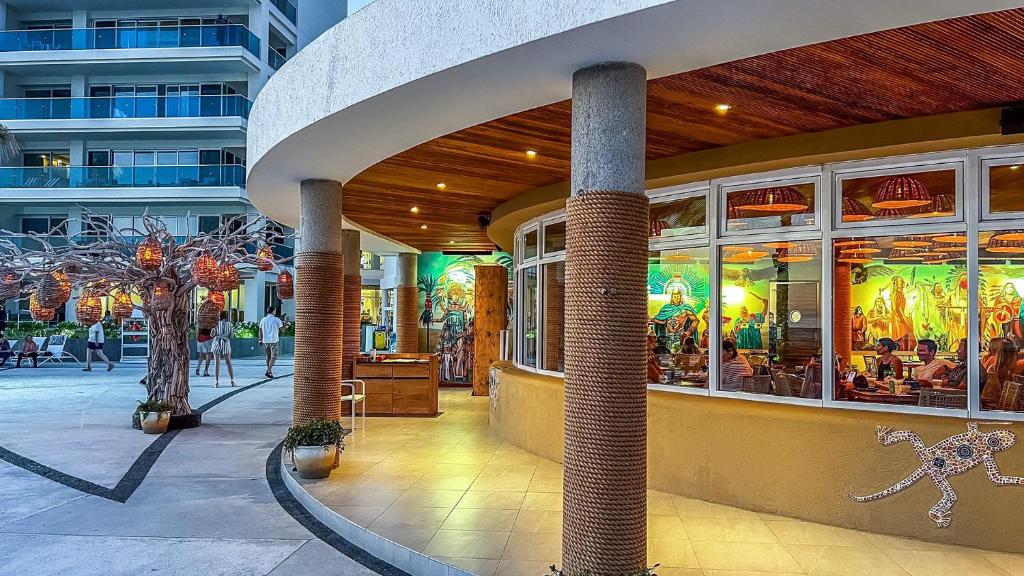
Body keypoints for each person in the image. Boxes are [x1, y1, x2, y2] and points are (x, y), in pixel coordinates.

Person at [211, 310, 236, 388]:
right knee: (228, 363)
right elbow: (232, 336)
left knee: (217, 363)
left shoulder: (216, 324)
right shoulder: (230, 325)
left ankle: (216, 382)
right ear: (226, 317)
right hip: (225, 343)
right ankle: (232, 381)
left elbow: (212, 335)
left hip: (217, 342)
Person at [259, 306, 284, 378]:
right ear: (273, 311)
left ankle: (269, 372)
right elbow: (283, 330)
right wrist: (286, 323)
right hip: (274, 341)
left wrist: (260, 339)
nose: (275, 312)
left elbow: (260, 330)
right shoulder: (276, 320)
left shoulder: (263, 320)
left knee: (268, 356)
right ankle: (269, 370)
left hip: (265, 341)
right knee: (274, 356)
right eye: (275, 310)